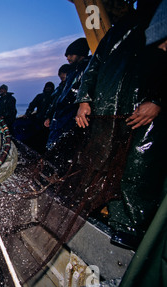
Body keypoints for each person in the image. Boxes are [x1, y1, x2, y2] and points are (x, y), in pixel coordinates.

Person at [75, 0, 166, 250]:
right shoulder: (119, 28)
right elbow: (95, 65)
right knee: (102, 160)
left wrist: (158, 101)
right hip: (107, 111)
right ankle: (104, 212)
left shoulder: (161, 21)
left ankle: (132, 226)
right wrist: (84, 100)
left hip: (144, 110)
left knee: (140, 165)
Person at [46, 38, 91, 150]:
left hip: (72, 117)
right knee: (54, 147)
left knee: (67, 148)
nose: (68, 58)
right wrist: (50, 116)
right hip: (61, 117)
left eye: (70, 54)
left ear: (80, 53)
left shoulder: (88, 68)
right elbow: (61, 98)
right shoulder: (72, 71)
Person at [13, 82, 54, 153]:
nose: (48, 88)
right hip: (38, 119)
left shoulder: (54, 97)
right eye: (47, 87)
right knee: (19, 124)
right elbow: (32, 105)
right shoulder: (40, 96)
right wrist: (27, 114)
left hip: (49, 120)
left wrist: (49, 118)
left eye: (50, 87)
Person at [44, 64, 71, 128]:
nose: (62, 76)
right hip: (57, 119)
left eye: (64, 74)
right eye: (60, 75)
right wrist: (48, 117)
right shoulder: (58, 90)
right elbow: (53, 105)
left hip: (67, 118)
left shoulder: (72, 88)